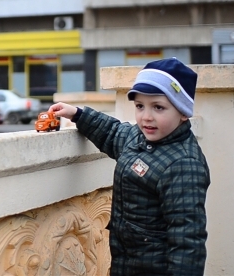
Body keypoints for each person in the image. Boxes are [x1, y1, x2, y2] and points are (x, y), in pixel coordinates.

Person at [49, 58, 210, 275]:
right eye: (140, 106)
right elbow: (111, 132)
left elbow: (187, 240)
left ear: (182, 112)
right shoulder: (138, 137)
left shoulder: (183, 165)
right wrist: (78, 114)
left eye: (158, 107)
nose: (146, 117)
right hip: (127, 261)